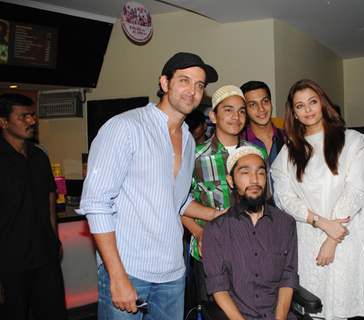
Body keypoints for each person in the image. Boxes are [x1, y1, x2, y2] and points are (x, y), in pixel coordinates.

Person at [78, 52, 221, 320]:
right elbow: (96, 203)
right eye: (184, 81)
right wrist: (116, 275)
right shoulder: (125, 127)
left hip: (173, 274)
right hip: (128, 270)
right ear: (164, 83)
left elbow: (175, 199)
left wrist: (213, 215)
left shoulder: (189, 141)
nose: (192, 91)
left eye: (199, 85)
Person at [271, 79, 364, 319]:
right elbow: (284, 198)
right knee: (313, 309)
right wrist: (321, 223)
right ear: (294, 113)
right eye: (300, 106)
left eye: (312, 102)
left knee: (341, 308)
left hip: (344, 237)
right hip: (308, 237)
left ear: (323, 104)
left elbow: (355, 191)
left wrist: (332, 239)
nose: (308, 110)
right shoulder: (289, 151)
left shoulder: (352, 141)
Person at [182, 85, 265, 306]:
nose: (236, 117)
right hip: (209, 254)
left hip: (250, 253)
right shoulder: (196, 155)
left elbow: (266, 203)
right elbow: (178, 203)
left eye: (241, 111)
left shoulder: (256, 154)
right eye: (228, 110)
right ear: (213, 116)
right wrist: (199, 233)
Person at [202, 146, 299, 319]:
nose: (254, 180)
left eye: (260, 173)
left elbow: (288, 278)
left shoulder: (286, 224)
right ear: (231, 181)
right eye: (245, 173)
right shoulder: (216, 230)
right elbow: (218, 287)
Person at [0, 93, 67, 320]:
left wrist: (54, 238)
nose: (32, 121)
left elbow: (49, 199)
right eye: (23, 116)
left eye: (33, 115)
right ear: (3, 122)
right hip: (9, 260)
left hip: (44, 254)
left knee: (53, 313)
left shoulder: (39, 156)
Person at [240, 81, 285, 165]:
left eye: (265, 101)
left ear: (271, 103)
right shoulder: (238, 144)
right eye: (253, 104)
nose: (261, 109)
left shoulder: (289, 138)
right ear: (244, 109)